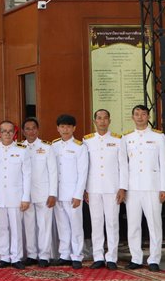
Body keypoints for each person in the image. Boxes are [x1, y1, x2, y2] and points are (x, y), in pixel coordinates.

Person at [124, 104, 165, 272]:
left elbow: (163, 164)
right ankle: (135, 258)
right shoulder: (127, 138)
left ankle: (154, 259)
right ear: (132, 117)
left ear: (148, 117)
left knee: (154, 224)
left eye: (143, 114)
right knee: (133, 225)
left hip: (152, 187)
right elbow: (124, 165)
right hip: (132, 187)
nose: (140, 117)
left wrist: (164, 188)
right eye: (137, 114)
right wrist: (123, 187)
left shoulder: (158, 136)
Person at [83, 109, 129, 270]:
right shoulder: (87, 140)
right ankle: (98, 256)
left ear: (109, 121)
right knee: (96, 223)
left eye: (105, 118)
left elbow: (123, 165)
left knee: (112, 222)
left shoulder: (118, 139)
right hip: (93, 187)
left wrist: (122, 188)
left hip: (112, 188)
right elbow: (85, 166)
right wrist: (85, 189)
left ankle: (111, 257)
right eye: (99, 118)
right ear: (94, 121)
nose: (102, 121)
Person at [0, 121, 31, 269]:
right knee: (1, 228)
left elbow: (27, 175)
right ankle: (4, 257)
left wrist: (26, 197)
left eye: (10, 131)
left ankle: (16, 257)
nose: (7, 134)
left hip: (16, 196)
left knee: (16, 229)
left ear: (14, 133)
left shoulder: (22, 150)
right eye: (4, 131)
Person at [52, 114, 89, 269]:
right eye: (62, 126)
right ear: (58, 128)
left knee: (76, 225)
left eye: (68, 126)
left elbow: (83, 173)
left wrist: (78, 194)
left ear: (74, 128)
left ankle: (77, 255)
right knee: (62, 226)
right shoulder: (54, 146)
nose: (65, 129)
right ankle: (64, 254)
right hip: (58, 193)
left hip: (73, 193)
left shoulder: (80, 147)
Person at [20, 118, 58, 267]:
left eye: (33, 128)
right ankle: (31, 254)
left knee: (44, 225)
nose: (31, 131)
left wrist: (53, 193)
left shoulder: (47, 147)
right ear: (23, 131)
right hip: (26, 194)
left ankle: (44, 255)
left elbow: (53, 172)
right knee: (29, 225)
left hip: (44, 193)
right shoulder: (19, 147)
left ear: (38, 129)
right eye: (28, 129)